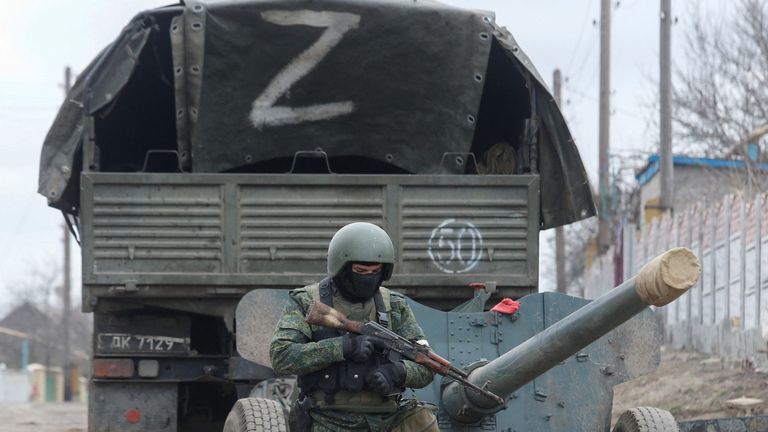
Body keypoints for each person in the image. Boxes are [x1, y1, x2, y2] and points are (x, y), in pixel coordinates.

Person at [269, 222, 438, 431]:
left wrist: (397, 372)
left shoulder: (394, 305)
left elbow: (427, 365)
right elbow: (282, 356)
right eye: (360, 271)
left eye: (375, 271)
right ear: (342, 268)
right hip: (327, 419)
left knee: (425, 421)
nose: (368, 277)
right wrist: (343, 347)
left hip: (387, 421)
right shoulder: (307, 301)